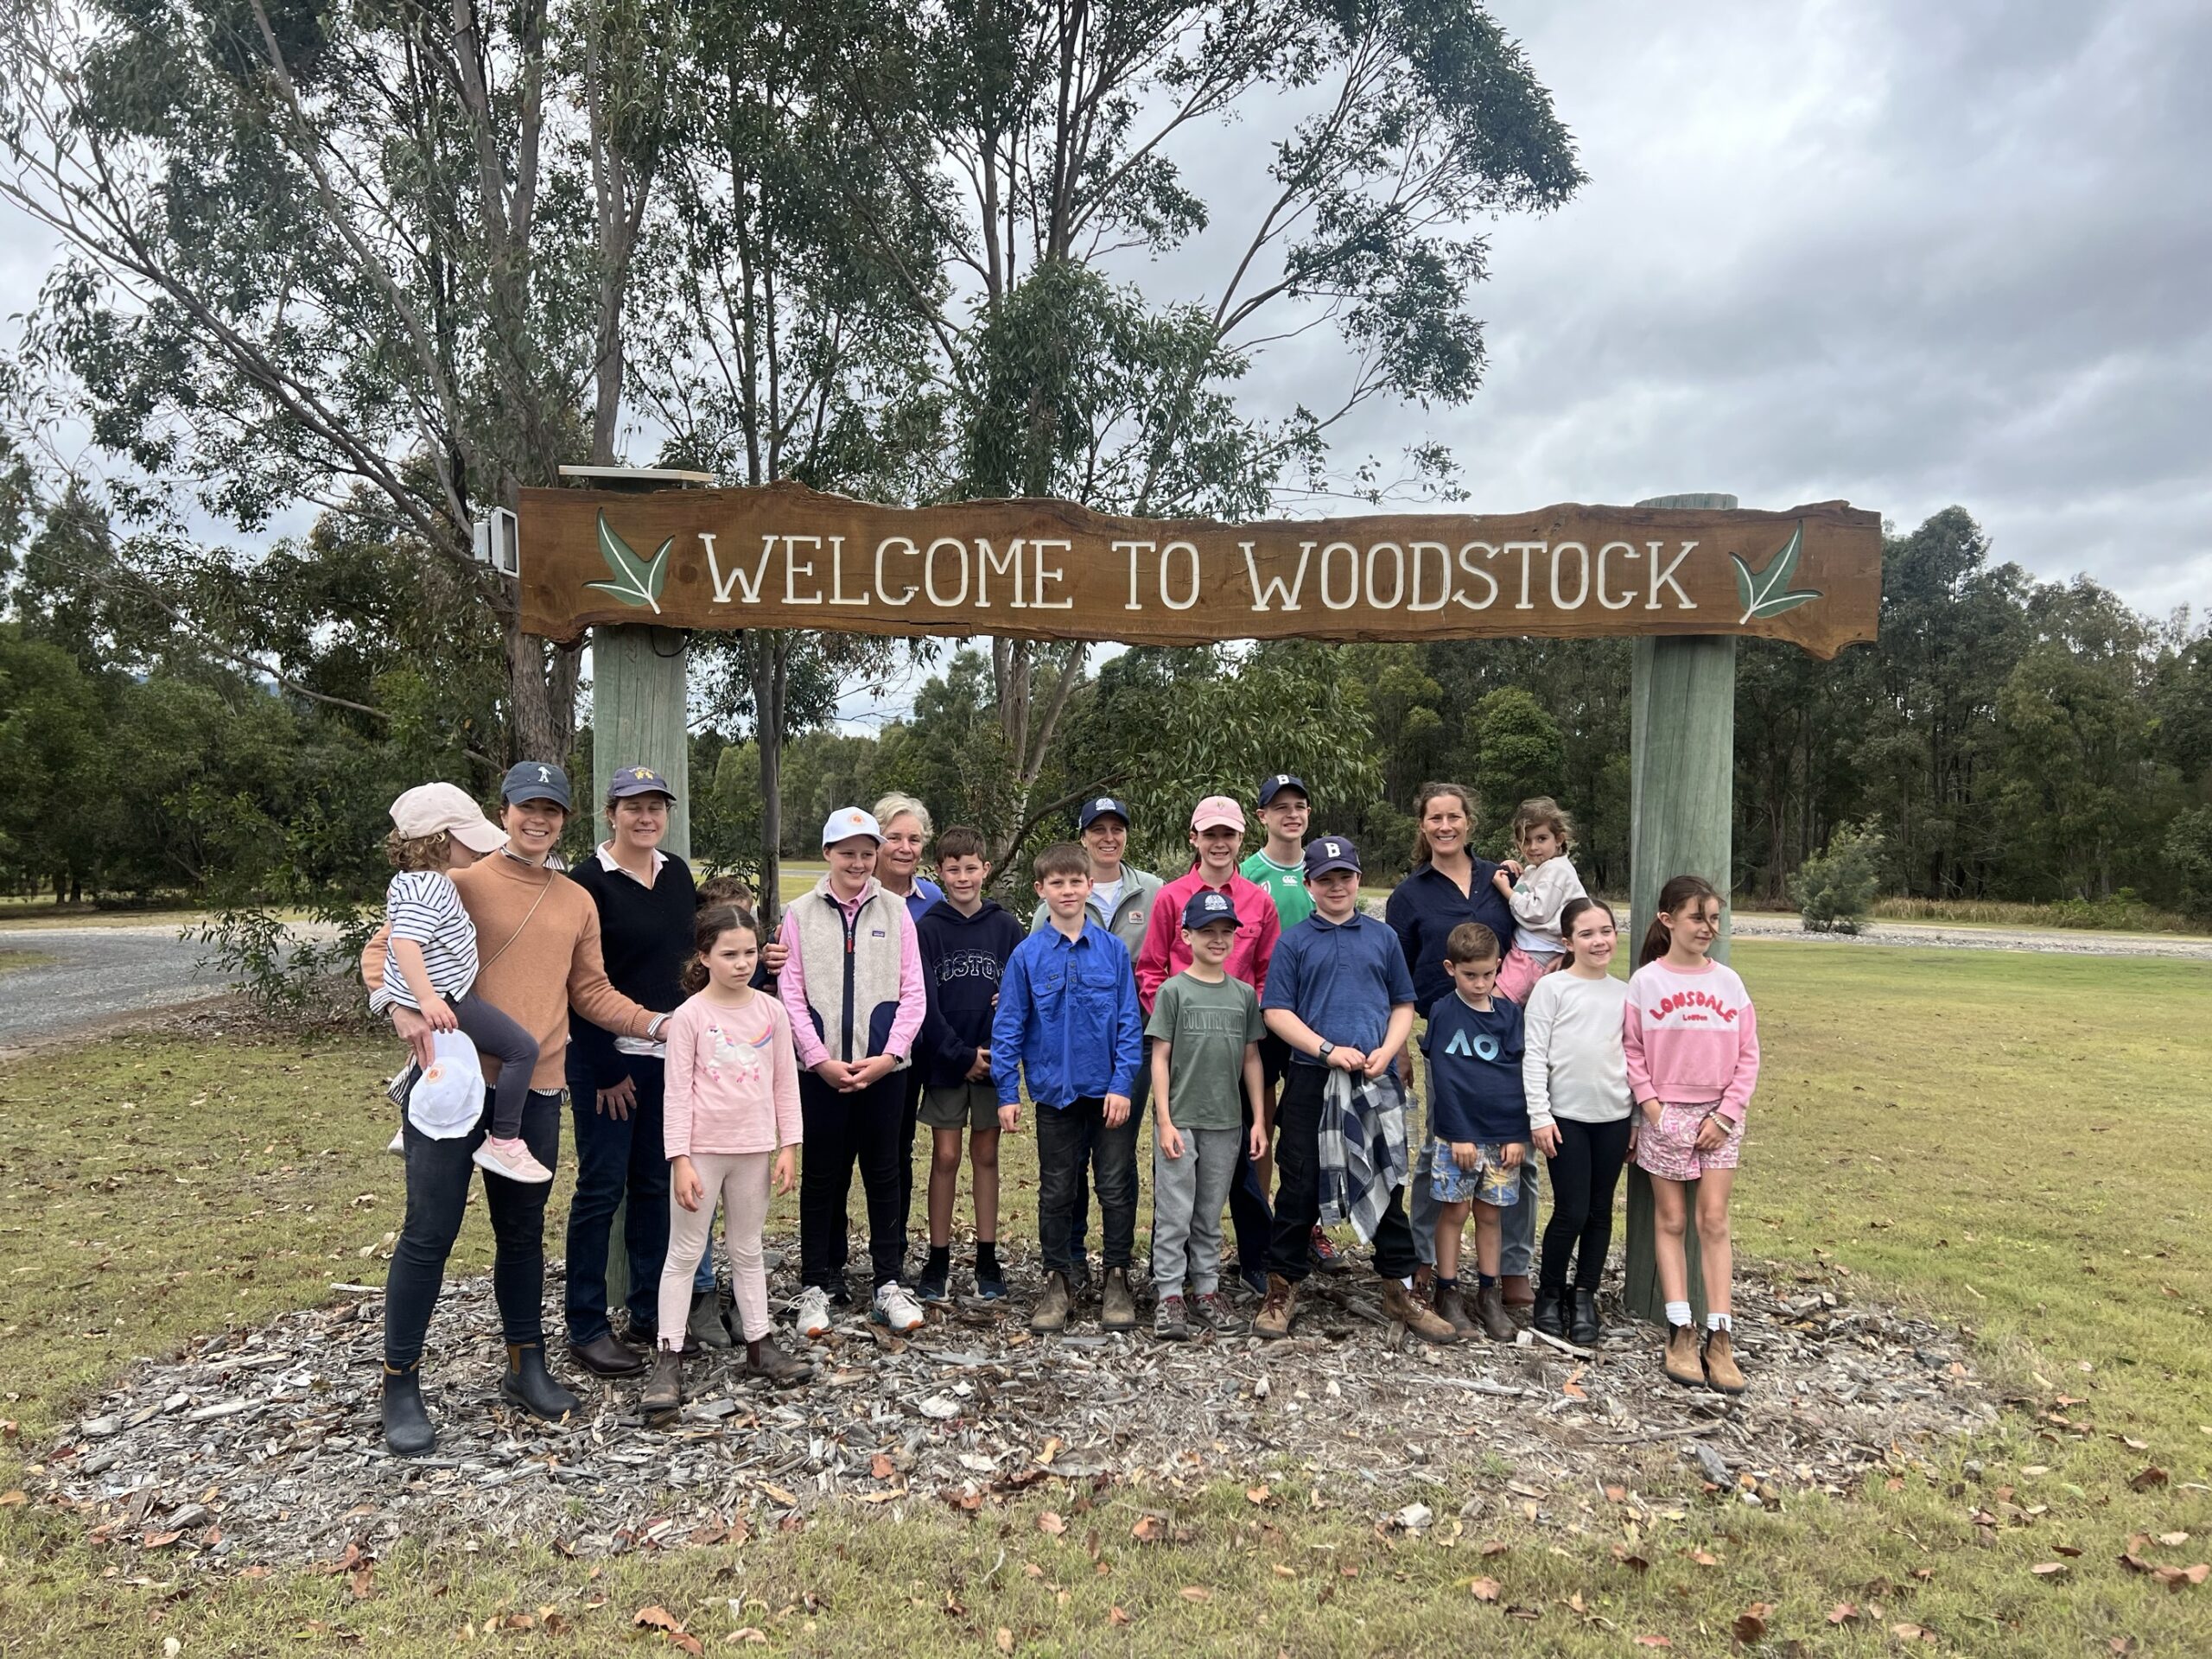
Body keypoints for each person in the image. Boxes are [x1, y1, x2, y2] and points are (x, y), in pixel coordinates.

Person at [362, 762, 672, 1457]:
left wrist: (656, 1024)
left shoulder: (575, 900)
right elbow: (383, 949)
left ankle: (524, 1364)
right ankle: (399, 1381)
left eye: (552, 811)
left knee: (522, 1232)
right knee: (429, 1232)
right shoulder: (462, 880)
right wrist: (399, 1012)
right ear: (503, 813)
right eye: (527, 808)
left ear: (566, 819)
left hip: (534, 1089)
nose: (539, 821)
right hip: (454, 1082)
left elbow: (590, 991)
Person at [1256, 836, 1456, 1344]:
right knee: (1299, 1184)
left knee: (1388, 1182)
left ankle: (1400, 1285)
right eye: (1325, 879)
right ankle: (1281, 1287)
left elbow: (1402, 1003)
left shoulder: (1382, 938)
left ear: (1358, 879)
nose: (1336, 886)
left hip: (1373, 1076)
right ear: (1310, 885)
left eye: (1344, 876)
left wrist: (1388, 1051)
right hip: (1311, 1076)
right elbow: (1276, 1011)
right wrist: (1325, 1049)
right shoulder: (1295, 941)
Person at [559, 766, 702, 1377]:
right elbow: (577, 986)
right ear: (609, 813)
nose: (646, 818)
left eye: (655, 807)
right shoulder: (586, 884)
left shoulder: (676, 874)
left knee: (653, 1188)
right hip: (608, 1064)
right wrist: (601, 1067)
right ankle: (586, 1325)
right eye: (633, 807)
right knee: (600, 1190)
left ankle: (650, 1311)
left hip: (668, 1060)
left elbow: (688, 962)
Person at [643, 905, 813, 1414]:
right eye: (729, 954)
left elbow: (786, 1081)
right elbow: (675, 1094)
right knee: (685, 1253)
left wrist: (789, 1146)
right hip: (702, 1154)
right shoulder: (692, 1016)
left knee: (748, 1248)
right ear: (704, 957)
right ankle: (668, 1355)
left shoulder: (771, 1012)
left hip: (754, 1151)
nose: (742, 964)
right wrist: (680, 1159)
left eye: (749, 953)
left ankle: (760, 1345)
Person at [1382, 782, 1537, 1306]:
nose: (1445, 826)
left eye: (1454, 817)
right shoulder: (1409, 894)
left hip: (1505, 1032)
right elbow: (1394, 974)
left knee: (1518, 1155)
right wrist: (1399, 1043)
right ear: (1422, 826)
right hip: (1445, 1037)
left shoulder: (1503, 880)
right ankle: (1428, 1259)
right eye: (1434, 818)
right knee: (1441, 1151)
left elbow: (1535, 939)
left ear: (1469, 821)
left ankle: (1512, 1267)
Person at [779, 808, 930, 1340]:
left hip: (884, 1070)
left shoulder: (896, 910)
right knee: (822, 1176)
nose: (859, 862)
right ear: (827, 854)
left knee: (884, 1174)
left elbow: (914, 994)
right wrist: (817, 1058)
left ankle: (888, 1281)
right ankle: (817, 1283)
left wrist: (889, 1056)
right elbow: (790, 994)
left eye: (868, 852)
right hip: (820, 1071)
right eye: (848, 852)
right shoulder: (798, 914)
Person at [994, 842, 1145, 1334]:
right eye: (1056, 883)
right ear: (1041, 890)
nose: (1067, 890)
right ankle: (1058, 1278)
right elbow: (1010, 1024)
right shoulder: (1027, 956)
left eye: (1075, 882)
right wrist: (1007, 1091)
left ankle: (1117, 1277)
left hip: (1108, 1095)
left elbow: (1128, 1022)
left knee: (1116, 1186)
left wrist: (1123, 1084)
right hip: (1054, 1094)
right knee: (1058, 1188)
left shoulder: (1113, 952)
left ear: (1088, 887)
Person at [1135, 796, 1280, 1294]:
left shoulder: (1258, 901)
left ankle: (1249, 1259)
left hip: (1241, 1041)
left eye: (1229, 835)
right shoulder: (1172, 897)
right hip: (1183, 1047)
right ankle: (1168, 1277)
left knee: (1237, 1156)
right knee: (1178, 1163)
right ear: (1194, 838)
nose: (1220, 844)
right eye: (1210, 834)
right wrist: (1177, 1021)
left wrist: (1244, 1018)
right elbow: (1151, 968)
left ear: (1242, 839)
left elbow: (1266, 973)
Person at [1625, 874, 1761, 1395]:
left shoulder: (1729, 982)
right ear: (1668, 920)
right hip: (1666, 1113)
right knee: (1672, 1218)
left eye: (1713, 919)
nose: (1707, 928)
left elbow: (1748, 1054)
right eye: (1696, 917)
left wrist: (1727, 1114)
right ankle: (1680, 1329)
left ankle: (1719, 1336)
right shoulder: (1646, 982)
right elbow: (1633, 1052)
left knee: (1712, 1219)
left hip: (1720, 1115)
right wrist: (1653, 1109)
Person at [371, 783, 546, 1182]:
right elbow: (405, 942)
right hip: (450, 998)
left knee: (443, 1059)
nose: (477, 848)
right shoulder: (431, 886)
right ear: (441, 839)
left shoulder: (409, 880)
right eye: (467, 838)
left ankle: (416, 1120)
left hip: (437, 996)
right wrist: (428, 999)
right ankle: (504, 1142)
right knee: (521, 1050)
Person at [1032, 796, 1164, 1297]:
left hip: (1130, 1049)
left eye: (1117, 828)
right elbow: (1035, 977)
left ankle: (1117, 1270)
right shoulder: (1053, 906)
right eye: (1098, 829)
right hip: (1065, 1061)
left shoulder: (1153, 891)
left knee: (1115, 1162)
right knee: (1063, 1172)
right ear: (1084, 836)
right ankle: (1067, 1265)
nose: (1109, 837)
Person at [1147, 889, 1268, 1339]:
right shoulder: (1174, 991)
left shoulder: (1242, 996)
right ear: (1186, 936)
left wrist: (1257, 1119)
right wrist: (1163, 1119)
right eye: (1207, 932)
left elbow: (1251, 1059)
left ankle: (1206, 1289)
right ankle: (1169, 1297)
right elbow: (1159, 1057)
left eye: (1225, 933)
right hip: (1182, 1119)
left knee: (1209, 1211)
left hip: (1226, 1121)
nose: (1217, 940)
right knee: (1175, 1211)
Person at [913, 825, 1025, 1303]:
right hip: (946, 1061)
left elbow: (1020, 995)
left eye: (971, 867)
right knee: (945, 1156)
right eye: (953, 868)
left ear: (986, 869)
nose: (963, 876)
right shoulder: (927, 928)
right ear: (939, 871)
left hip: (994, 1058)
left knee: (985, 1155)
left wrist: (996, 1051)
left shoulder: (1005, 927)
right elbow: (922, 1003)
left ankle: (986, 1256)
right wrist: (960, 1057)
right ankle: (938, 1257)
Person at [1240, 772, 1341, 1274]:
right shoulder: (1246, 873)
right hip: (1261, 1017)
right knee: (1261, 1122)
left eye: (1299, 805)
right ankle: (1262, 1228)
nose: (1291, 814)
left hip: (1315, 1019)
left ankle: (1309, 1225)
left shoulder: (1326, 868)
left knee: (1310, 1130)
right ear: (1262, 816)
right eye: (1280, 807)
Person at [1522, 898, 1633, 1346]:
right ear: (1568, 942)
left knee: (1600, 1211)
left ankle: (1584, 1293)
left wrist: (1638, 1121)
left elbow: (1639, 1060)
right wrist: (1539, 1114)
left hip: (1614, 1117)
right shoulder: (1553, 989)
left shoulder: (1626, 993)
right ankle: (1550, 1292)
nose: (1598, 940)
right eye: (1586, 934)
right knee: (1571, 1210)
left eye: (1605, 930)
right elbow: (1535, 1055)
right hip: (1565, 1118)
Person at [1417, 923, 1527, 1341]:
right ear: (1451, 969)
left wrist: (1517, 1135)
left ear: (1499, 966)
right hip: (1457, 1137)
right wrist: (1457, 1134)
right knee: (1455, 1212)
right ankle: (1447, 1292)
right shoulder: (1445, 1012)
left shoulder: (1510, 1016)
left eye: (1487, 974)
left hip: (1502, 1138)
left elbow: (1518, 1075)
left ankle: (1488, 1293)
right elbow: (1444, 1078)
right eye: (1469, 975)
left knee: (1490, 1214)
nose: (1480, 983)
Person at [872, 793, 944, 1268]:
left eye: (914, 839)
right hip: (858, 1045)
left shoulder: (933, 901)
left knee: (899, 1152)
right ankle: (828, 1263)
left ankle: (892, 1255)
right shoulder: (850, 890)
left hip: (918, 1046)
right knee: (841, 1158)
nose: (904, 847)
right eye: (894, 837)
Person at [1494, 797, 1587, 1006]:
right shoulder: (1540, 869)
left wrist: (1507, 891)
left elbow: (1536, 911)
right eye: (1526, 841)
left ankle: (1462, 1034)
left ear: (1559, 838)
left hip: (1536, 954)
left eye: (1541, 839)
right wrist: (1511, 868)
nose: (1533, 847)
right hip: (1529, 948)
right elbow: (1528, 890)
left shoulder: (1556, 871)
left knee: (1498, 1001)